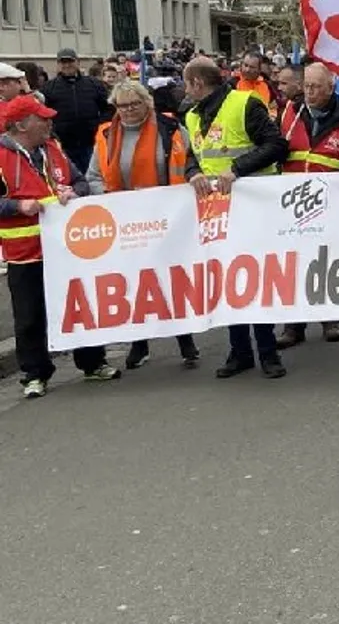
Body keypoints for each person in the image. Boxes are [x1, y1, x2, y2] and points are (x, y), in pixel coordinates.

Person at [0, 95, 121, 398]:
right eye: (42, 118)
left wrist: (72, 191)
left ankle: (93, 363)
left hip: (66, 250)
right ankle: (34, 375)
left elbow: (80, 182)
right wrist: (17, 206)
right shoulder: (1, 157)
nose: (49, 122)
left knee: (79, 306)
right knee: (30, 316)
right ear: (21, 125)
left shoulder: (53, 149)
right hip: (24, 253)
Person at [182, 56, 290, 379]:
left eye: (187, 84)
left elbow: (276, 145)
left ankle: (268, 353)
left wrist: (237, 170)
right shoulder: (192, 116)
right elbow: (193, 157)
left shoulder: (244, 104)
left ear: (197, 84)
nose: (186, 90)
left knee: (256, 279)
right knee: (227, 281)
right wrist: (192, 174)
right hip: (217, 211)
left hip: (254, 208)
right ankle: (239, 351)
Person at [86, 81, 199, 370]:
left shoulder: (170, 129)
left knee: (171, 281)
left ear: (146, 103)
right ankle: (140, 343)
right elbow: (94, 176)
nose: (128, 110)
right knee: (136, 284)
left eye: (133, 104)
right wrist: (110, 199)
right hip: (125, 222)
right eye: (122, 106)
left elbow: (190, 164)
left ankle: (185, 340)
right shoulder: (106, 134)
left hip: (166, 218)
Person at [275, 63, 339, 349]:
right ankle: (293, 325)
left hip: (331, 206)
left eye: (316, 87)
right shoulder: (288, 114)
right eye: (306, 86)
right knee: (293, 265)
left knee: (326, 262)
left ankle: (330, 319)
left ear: (331, 88)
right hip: (292, 205)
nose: (310, 92)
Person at [40, 48, 111, 172]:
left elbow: (108, 108)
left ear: (77, 62)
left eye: (70, 61)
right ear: (58, 65)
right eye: (63, 62)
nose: (67, 65)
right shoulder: (48, 88)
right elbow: (42, 113)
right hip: (64, 144)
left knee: (95, 175)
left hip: (91, 142)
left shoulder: (94, 84)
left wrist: (100, 125)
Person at [232, 50, 280, 118]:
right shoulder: (232, 84)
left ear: (259, 69)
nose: (247, 70)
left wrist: (271, 118)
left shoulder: (266, 84)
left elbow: (273, 106)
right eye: (245, 65)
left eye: (252, 67)